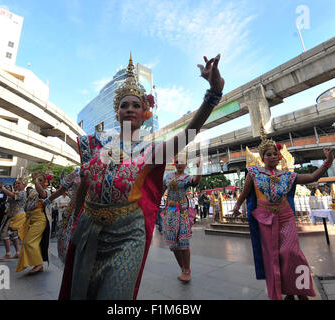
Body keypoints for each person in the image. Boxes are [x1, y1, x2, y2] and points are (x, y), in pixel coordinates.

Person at [58, 53, 224, 300]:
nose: (129, 109)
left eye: (136, 105)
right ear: (117, 112)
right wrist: (72, 219)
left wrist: (213, 93)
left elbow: (189, 134)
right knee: (81, 294)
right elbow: (85, 183)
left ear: (145, 112)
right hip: (89, 230)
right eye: (124, 105)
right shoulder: (93, 144)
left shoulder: (151, 150)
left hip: (128, 234)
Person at [233, 127, 334, 300]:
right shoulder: (254, 173)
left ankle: (301, 289)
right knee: (274, 258)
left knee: (291, 252)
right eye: (269, 154)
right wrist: (236, 207)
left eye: (274, 154)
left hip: (286, 217)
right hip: (265, 219)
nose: (272, 157)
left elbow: (312, 177)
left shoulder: (288, 175)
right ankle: (287, 292)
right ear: (263, 157)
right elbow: (244, 193)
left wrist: (328, 162)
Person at [163, 156, 201, 283]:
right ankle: (183, 268)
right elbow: (160, 189)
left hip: (183, 212)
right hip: (170, 212)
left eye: (182, 162)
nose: (179, 164)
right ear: (174, 163)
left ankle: (187, 270)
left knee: (183, 242)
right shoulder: (167, 176)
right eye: (177, 162)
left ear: (185, 165)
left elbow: (195, 182)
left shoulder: (187, 177)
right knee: (173, 245)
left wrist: (199, 168)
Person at [15, 171, 52, 274]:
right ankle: (38, 264)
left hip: (40, 219)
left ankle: (39, 264)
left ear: (45, 182)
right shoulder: (32, 192)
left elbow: (43, 194)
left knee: (29, 241)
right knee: (31, 242)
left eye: (40, 180)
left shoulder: (48, 191)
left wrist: (35, 181)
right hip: (30, 218)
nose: (38, 182)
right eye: (37, 180)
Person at [0, 178, 27, 260]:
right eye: (15, 184)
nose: (15, 185)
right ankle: (18, 252)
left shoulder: (22, 193)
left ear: (24, 185)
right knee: (13, 235)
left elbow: (12, 196)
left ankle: (8, 253)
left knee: (4, 233)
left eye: (18, 183)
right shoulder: (17, 192)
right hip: (13, 215)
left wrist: (3, 188)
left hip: (16, 216)